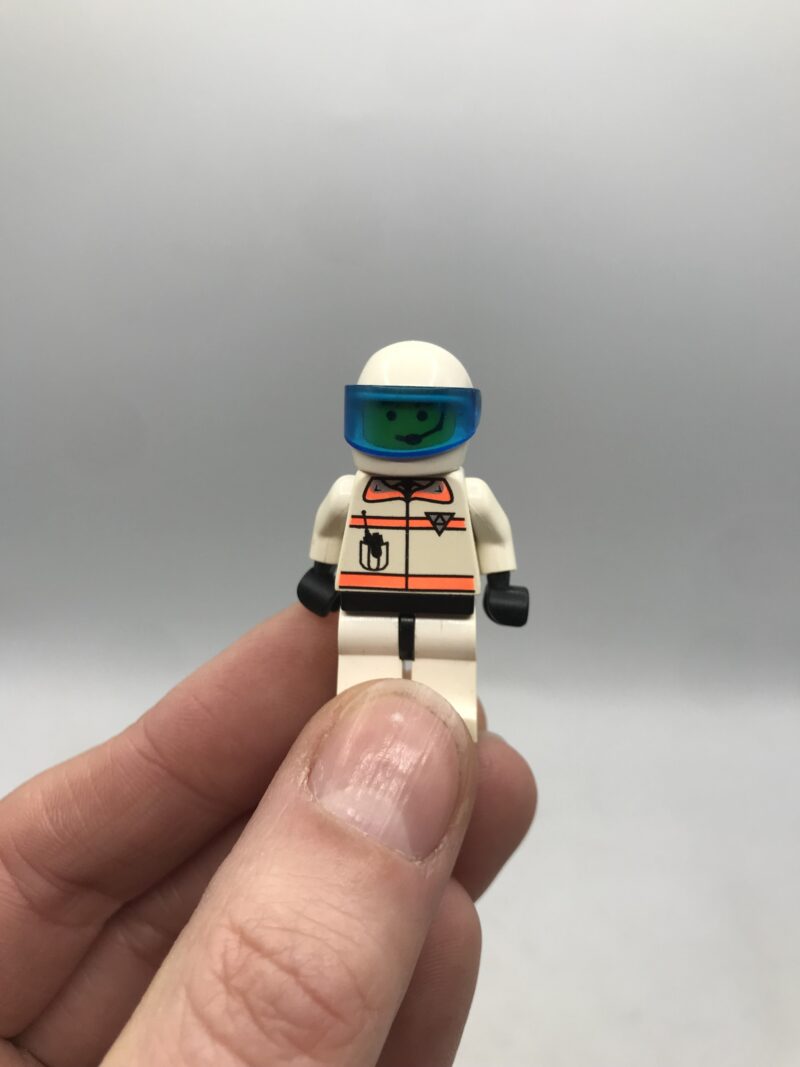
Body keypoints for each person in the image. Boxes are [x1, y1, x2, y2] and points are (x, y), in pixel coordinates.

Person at [0, 604, 536, 1066]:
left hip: (445, 601)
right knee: (366, 664)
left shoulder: (453, 517)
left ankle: (409, 716)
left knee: (445, 656)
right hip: (369, 598)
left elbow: (486, 534)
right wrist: (324, 573)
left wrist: (500, 583)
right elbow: (336, 531)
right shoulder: (364, 516)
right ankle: (383, 719)